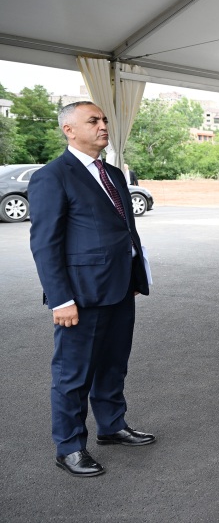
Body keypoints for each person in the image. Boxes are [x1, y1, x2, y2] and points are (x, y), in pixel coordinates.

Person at [28, 101, 154, 478]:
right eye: (93, 120)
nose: (103, 126)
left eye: (104, 120)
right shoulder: (53, 176)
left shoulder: (111, 173)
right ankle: (69, 447)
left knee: (113, 364)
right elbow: (45, 244)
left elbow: (125, 229)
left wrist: (134, 277)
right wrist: (61, 299)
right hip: (80, 295)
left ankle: (112, 426)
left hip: (120, 287)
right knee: (73, 374)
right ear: (69, 130)